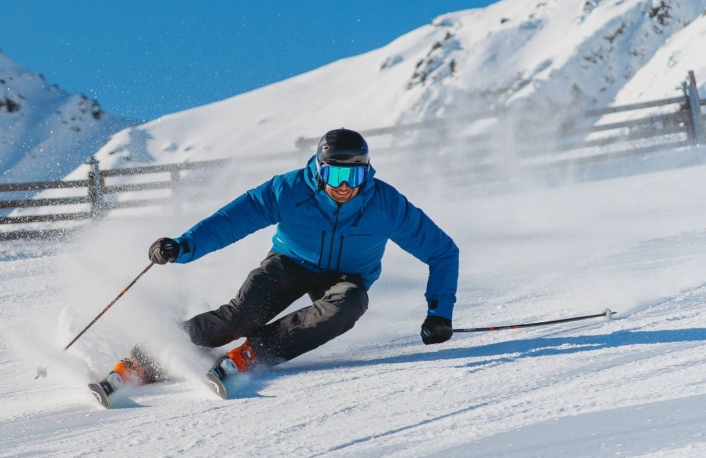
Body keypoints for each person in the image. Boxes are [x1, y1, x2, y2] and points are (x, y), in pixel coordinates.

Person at [90, 128, 460, 404]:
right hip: (289, 263)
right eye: (335, 175)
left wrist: (439, 312)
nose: (345, 186)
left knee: (347, 306)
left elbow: (443, 252)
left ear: (368, 173)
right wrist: (184, 245)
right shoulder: (289, 189)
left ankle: (255, 352)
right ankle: (142, 360)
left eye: (355, 176)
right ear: (319, 169)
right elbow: (234, 218)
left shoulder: (386, 203)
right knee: (240, 317)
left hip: (348, 277)